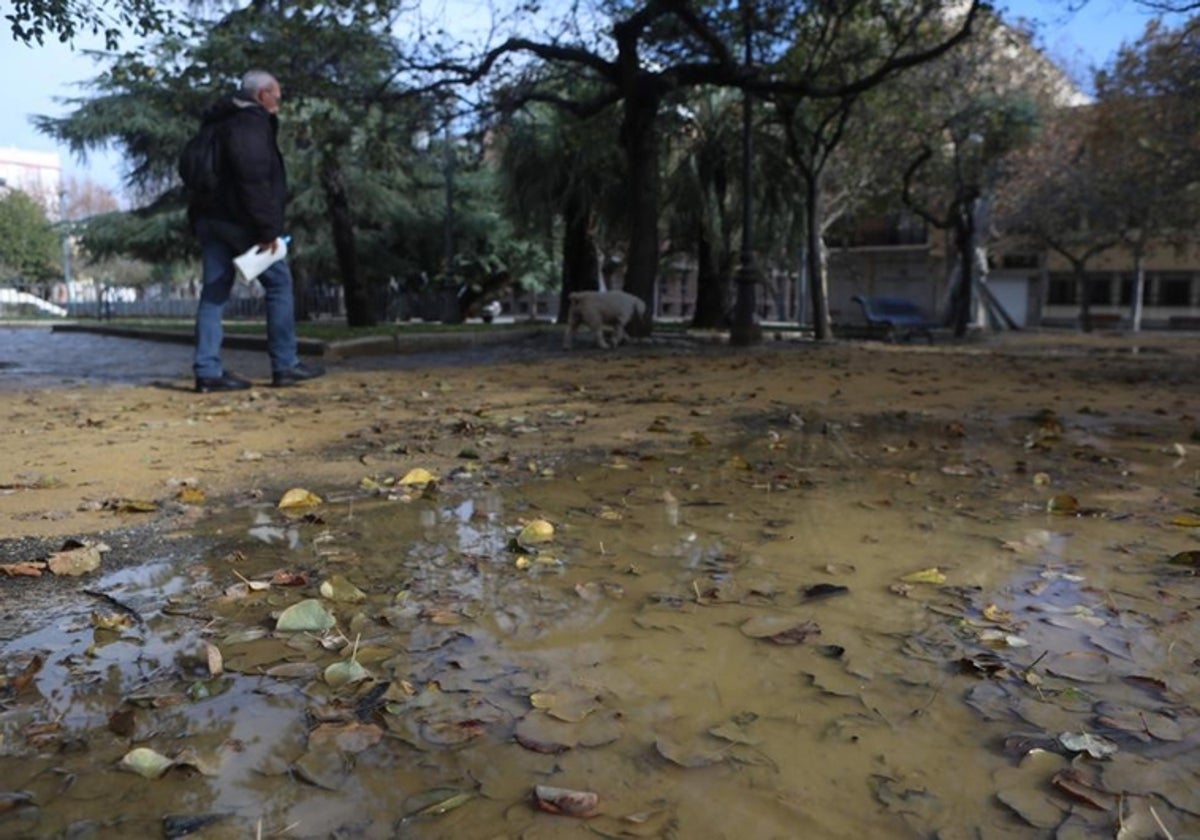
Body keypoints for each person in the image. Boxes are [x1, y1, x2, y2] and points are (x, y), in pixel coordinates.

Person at [187, 69, 324, 392]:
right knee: (279, 284)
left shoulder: (216, 122)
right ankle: (286, 364)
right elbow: (254, 179)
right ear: (262, 95)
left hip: (210, 219)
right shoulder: (250, 124)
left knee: (213, 294)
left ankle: (207, 371)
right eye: (276, 95)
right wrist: (267, 229)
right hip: (241, 222)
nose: (279, 101)